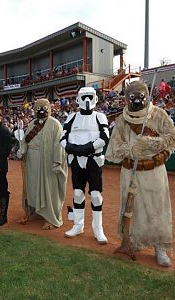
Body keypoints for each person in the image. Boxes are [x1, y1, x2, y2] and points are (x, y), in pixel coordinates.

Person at [105, 81, 175, 267]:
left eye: (140, 96)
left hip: (154, 172)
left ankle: (160, 248)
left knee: (157, 208)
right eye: (132, 97)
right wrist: (130, 149)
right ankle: (132, 242)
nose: (137, 100)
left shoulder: (159, 115)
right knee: (131, 209)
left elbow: (172, 138)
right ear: (126, 99)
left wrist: (150, 143)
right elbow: (113, 149)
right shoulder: (121, 120)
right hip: (130, 172)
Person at [60, 87, 109, 244]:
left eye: (90, 96)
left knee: (96, 195)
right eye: (84, 97)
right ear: (78, 99)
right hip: (76, 160)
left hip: (93, 160)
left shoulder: (100, 117)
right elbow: (62, 138)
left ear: (95, 98)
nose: (87, 100)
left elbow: (104, 137)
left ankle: (97, 228)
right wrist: (71, 148)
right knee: (78, 193)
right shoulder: (71, 118)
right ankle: (78, 225)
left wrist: (88, 147)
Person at [18, 98, 68, 230]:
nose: (40, 111)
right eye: (38, 108)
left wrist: (57, 162)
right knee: (33, 187)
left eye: (43, 108)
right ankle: (36, 212)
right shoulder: (32, 124)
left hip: (47, 162)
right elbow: (25, 140)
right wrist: (22, 149)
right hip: (32, 162)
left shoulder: (55, 124)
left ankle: (51, 218)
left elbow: (59, 145)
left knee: (49, 189)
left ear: (49, 109)